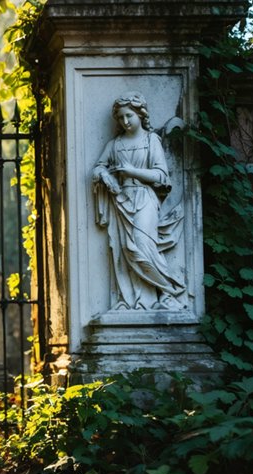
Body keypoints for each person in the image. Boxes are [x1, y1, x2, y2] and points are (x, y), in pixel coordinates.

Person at [92, 91, 184, 311]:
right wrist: (105, 176)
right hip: (121, 201)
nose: (125, 122)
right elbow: (98, 167)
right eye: (121, 117)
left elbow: (162, 176)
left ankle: (170, 293)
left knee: (141, 247)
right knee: (124, 251)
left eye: (129, 116)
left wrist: (133, 171)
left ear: (140, 115)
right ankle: (134, 300)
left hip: (144, 198)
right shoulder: (115, 145)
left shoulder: (151, 140)